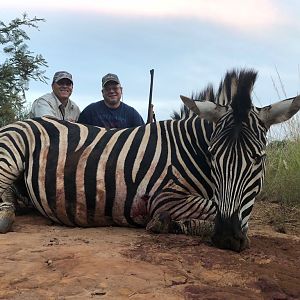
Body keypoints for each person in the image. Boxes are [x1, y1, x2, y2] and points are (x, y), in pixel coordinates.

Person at [78, 73, 144, 128]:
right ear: (102, 92)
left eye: (115, 88)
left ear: (121, 90)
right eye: (107, 89)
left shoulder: (132, 114)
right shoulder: (90, 111)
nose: (112, 91)